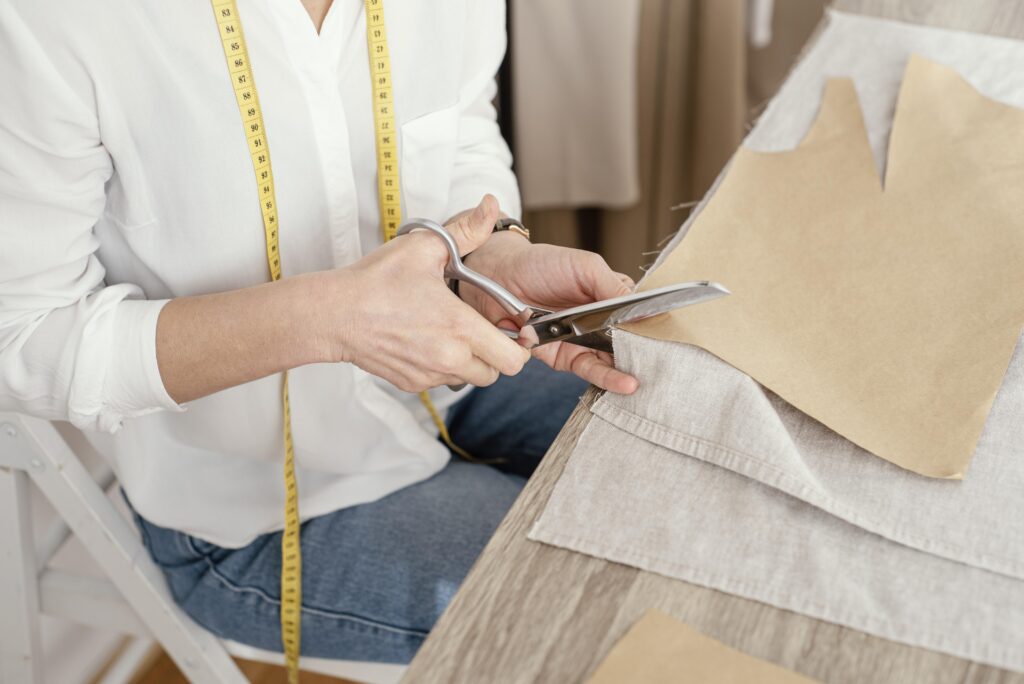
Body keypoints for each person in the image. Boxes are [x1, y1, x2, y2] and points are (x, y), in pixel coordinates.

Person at [0, 0, 638, 664]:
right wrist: (332, 320)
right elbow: (23, 338)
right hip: (257, 504)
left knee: (707, 471)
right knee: (634, 608)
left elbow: (462, 122)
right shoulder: (55, 17)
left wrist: (491, 253)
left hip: (451, 378)